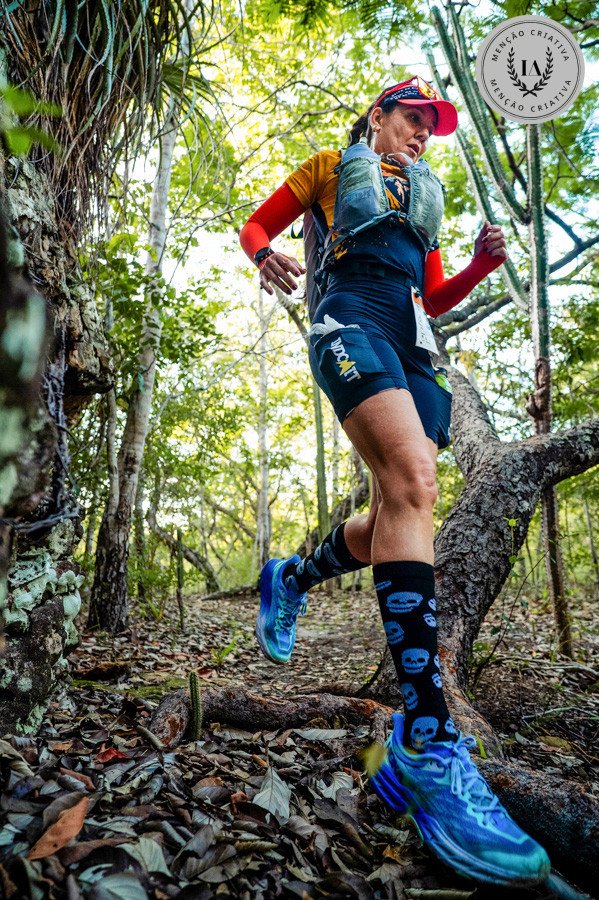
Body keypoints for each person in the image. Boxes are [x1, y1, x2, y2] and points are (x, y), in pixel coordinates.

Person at [239, 76, 550, 887]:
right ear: (378, 115)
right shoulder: (326, 168)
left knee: (397, 509)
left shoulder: (422, 199)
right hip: (348, 320)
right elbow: (256, 222)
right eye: (413, 119)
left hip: (414, 344)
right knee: (413, 482)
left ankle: (291, 575)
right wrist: (263, 252)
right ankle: (424, 738)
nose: (422, 133)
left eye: (430, 126)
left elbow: (434, 293)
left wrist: (481, 266)